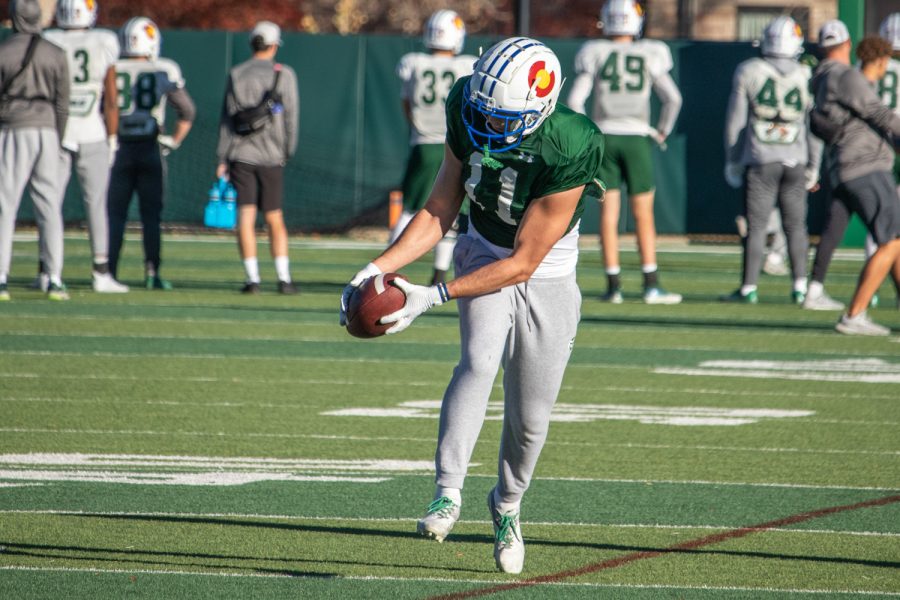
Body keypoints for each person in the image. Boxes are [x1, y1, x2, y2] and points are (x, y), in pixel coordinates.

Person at [340, 38, 603, 574]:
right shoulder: (466, 100)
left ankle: (506, 505)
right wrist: (377, 268)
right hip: (480, 243)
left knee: (530, 418)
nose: (488, 125)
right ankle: (447, 490)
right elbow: (441, 204)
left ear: (542, 106)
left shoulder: (573, 141)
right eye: (484, 111)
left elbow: (525, 262)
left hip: (545, 271)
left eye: (503, 117)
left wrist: (431, 295)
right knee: (480, 361)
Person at [567, 0, 682, 304]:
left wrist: (588, 133)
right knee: (643, 213)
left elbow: (576, 100)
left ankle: (613, 285)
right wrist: (661, 131)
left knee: (609, 213)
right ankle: (650, 283)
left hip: (604, 136)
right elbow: (673, 98)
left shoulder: (595, 53)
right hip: (636, 139)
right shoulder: (650, 53)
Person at [720, 16, 821, 304]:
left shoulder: (749, 70)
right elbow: (814, 126)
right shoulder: (806, 74)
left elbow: (735, 122)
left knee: (757, 226)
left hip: (761, 157)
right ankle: (800, 285)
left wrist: (732, 158)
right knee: (796, 226)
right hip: (795, 157)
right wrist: (814, 163)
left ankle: (749, 287)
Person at [810, 23, 900, 335]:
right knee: (891, 240)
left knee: (895, 240)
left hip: (847, 167)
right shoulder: (846, 76)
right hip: (865, 167)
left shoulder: (824, 76)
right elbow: (879, 114)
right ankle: (854, 314)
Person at [43, 0, 128, 294]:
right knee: (96, 205)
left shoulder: (49, 39)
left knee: (50, 203)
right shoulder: (103, 40)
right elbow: (111, 97)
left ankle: (47, 270)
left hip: (57, 129)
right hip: (93, 130)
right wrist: (113, 137)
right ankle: (100, 271)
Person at [107, 16, 195, 290]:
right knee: (151, 216)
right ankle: (151, 271)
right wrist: (174, 141)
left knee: (115, 214)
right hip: (149, 148)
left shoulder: (112, 67)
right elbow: (187, 111)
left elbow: (105, 105)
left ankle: (107, 270)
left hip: (118, 147)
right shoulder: (164, 68)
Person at [392, 9, 476, 285]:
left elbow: (407, 104)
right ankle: (439, 273)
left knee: (410, 209)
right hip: (455, 144)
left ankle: (386, 267)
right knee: (451, 210)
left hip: (424, 143)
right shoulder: (466, 65)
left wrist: (417, 127)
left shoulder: (413, 63)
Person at [216, 21, 299, 295]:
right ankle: (284, 278)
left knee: (245, 217)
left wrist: (222, 157)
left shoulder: (236, 73)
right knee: (275, 217)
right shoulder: (284, 74)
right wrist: (287, 150)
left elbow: (227, 120)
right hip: (272, 155)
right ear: (274, 45)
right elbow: (291, 118)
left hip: (242, 155)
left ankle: (253, 279)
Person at [0, 0, 70, 301]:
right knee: (49, 206)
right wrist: (58, 135)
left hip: (13, 128)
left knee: (5, 205)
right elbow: (62, 102)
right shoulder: (56, 53)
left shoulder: (4, 51)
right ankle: (53, 277)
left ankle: (1, 276)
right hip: (47, 130)